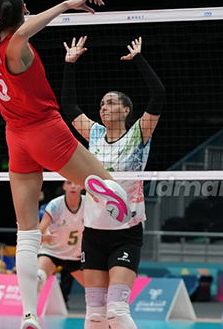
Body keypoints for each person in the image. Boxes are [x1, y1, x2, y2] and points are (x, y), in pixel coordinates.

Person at [0, 0, 131, 329]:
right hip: (46, 132)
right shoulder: (17, 44)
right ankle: (102, 190)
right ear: (24, 10)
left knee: (26, 233)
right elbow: (28, 27)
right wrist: (67, 3)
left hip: (16, 140)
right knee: (111, 186)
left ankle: (29, 313)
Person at [62, 36, 164, 329]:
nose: (103, 108)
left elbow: (158, 94)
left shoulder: (139, 133)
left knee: (116, 311)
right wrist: (70, 64)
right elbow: (68, 105)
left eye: (110, 103)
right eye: (102, 104)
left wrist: (139, 60)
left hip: (126, 232)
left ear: (126, 110)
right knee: (94, 314)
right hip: (93, 233)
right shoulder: (94, 133)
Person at [36, 181, 86, 296]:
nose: (73, 186)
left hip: (76, 255)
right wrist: (43, 237)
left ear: (82, 186)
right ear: (64, 186)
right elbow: (38, 232)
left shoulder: (89, 205)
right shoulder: (55, 205)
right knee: (38, 279)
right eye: (69, 183)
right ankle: (29, 308)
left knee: (96, 289)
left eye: (76, 183)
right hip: (52, 252)